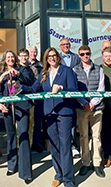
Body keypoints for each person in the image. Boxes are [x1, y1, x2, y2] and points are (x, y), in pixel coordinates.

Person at [18, 47, 78, 187]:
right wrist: (18, 85)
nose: (52, 58)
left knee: (65, 145)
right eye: (49, 56)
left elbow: (74, 89)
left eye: (54, 55)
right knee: (54, 146)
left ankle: (68, 179)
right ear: (46, 59)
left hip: (64, 112)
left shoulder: (67, 71)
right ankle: (59, 174)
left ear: (58, 57)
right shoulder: (44, 73)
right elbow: (33, 89)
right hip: (49, 113)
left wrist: (61, 88)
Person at [0, 49, 35, 184]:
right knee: (11, 136)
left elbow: (30, 81)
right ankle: (12, 165)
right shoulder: (1, 73)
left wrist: (18, 75)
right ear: (5, 59)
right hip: (8, 108)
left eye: (12, 57)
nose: (11, 59)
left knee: (24, 136)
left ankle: (26, 172)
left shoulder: (23, 70)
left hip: (22, 107)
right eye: (8, 57)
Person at [72, 45, 106, 178]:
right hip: (82, 108)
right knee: (84, 137)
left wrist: (93, 103)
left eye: (87, 53)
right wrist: (84, 103)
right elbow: (74, 90)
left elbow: (101, 88)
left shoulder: (99, 69)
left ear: (90, 54)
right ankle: (86, 163)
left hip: (97, 108)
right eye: (82, 54)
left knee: (97, 136)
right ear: (79, 56)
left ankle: (97, 163)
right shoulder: (74, 70)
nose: (85, 56)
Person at [58, 38, 81, 158]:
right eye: (63, 45)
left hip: (73, 91)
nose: (66, 46)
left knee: (73, 120)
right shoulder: (57, 58)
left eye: (67, 44)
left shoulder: (76, 57)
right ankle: (66, 145)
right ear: (60, 46)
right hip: (61, 93)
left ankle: (73, 145)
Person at [28, 46, 46, 153]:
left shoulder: (41, 65)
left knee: (38, 120)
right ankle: (28, 143)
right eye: (31, 52)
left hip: (39, 96)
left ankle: (36, 142)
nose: (33, 54)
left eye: (35, 52)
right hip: (28, 96)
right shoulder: (24, 65)